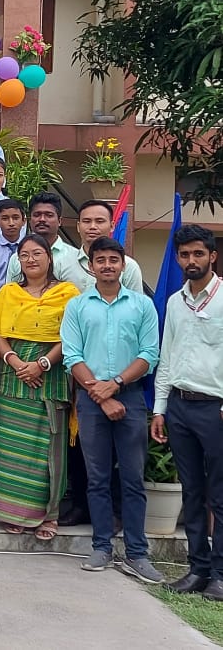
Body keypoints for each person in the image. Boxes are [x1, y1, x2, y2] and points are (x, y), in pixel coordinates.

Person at [61, 236, 161, 581]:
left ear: (123, 265)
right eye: (100, 260)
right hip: (91, 401)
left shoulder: (142, 305)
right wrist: (102, 395)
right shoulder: (77, 306)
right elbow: (72, 355)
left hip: (130, 397)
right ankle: (101, 546)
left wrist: (115, 385)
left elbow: (149, 354)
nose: (107, 265)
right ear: (91, 267)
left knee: (132, 478)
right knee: (97, 478)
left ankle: (137, 553)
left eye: (113, 260)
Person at [0, 233, 81, 539]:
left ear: (49, 258)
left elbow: (71, 335)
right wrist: (16, 362)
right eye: (24, 255)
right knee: (11, 448)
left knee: (48, 449)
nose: (31, 259)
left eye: (37, 253)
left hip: (51, 375)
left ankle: (49, 515)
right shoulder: (9, 292)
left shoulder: (68, 293)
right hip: (13, 377)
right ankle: (12, 512)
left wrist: (42, 364)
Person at [151, 225, 223, 600]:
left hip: (215, 408)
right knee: (191, 492)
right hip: (179, 407)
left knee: (220, 494)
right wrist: (160, 409)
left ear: (212, 256)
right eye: (184, 255)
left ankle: (220, 575)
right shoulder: (175, 302)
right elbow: (167, 357)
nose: (191, 260)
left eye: (198, 253)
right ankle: (197, 570)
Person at [5, 192, 83, 285]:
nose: (42, 219)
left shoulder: (75, 257)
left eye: (49, 215)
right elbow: (10, 291)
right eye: (37, 215)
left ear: (59, 221)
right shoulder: (17, 258)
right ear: (30, 220)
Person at [72, 199, 145, 292]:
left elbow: (136, 300)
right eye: (87, 221)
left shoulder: (129, 266)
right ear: (78, 226)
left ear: (112, 226)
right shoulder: (63, 262)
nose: (92, 226)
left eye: (99, 221)